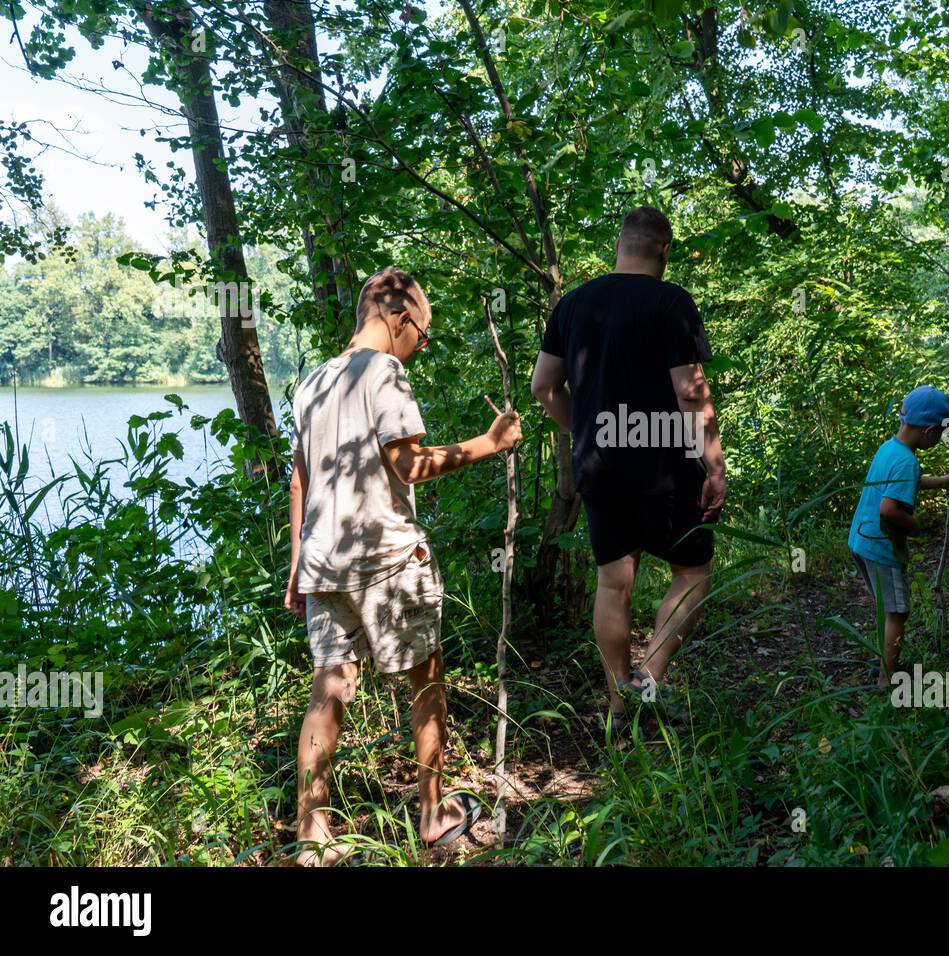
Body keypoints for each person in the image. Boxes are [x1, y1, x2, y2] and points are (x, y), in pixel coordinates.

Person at [283, 266, 522, 864]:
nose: (420, 345)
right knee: (427, 679)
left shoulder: (312, 381)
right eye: (424, 332)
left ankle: (311, 834)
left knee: (329, 687)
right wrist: (490, 443)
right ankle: (434, 812)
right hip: (389, 557)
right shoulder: (384, 371)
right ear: (399, 317)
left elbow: (301, 478)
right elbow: (409, 465)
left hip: (323, 562)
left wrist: (296, 563)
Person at [530, 206, 726, 733]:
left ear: (619, 245)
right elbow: (690, 392)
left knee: (613, 583)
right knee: (693, 570)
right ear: (665, 251)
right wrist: (714, 465)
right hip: (666, 461)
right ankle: (651, 678)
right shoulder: (671, 302)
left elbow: (543, 387)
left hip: (599, 462)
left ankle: (620, 704)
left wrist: (585, 430)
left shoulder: (572, 305)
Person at [848, 385, 949, 688]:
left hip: (862, 542)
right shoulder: (906, 460)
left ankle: (882, 657)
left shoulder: (891, 448)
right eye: (941, 434)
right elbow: (889, 509)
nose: (940, 439)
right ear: (928, 431)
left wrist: (940, 482)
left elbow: (902, 482)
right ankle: (887, 680)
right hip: (882, 548)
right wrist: (914, 524)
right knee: (898, 612)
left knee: (885, 608)